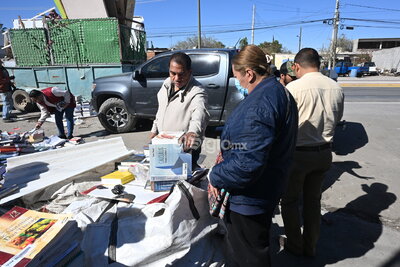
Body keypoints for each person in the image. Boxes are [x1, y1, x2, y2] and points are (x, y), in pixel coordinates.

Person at [208, 45, 298, 267]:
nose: (236, 81)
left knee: (247, 257)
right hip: (268, 188)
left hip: (250, 199)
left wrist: (214, 174)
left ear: (249, 73)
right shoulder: (279, 91)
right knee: (255, 248)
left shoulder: (258, 105)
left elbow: (246, 165)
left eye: (236, 75)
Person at [280, 48, 344, 257]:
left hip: (299, 154)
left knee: (289, 201)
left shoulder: (293, 88)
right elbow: (337, 119)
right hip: (324, 153)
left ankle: (294, 244)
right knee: (312, 201)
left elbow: (284, 124)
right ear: (318, 64)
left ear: (297, 66)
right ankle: (310, 245)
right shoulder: (336, 88)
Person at [150, 52, 209, 169]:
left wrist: (193, 132)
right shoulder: (166, 84)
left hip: (185, 148)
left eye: (181, 74)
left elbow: (200, 113)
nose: (176, 78)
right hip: (163, 144)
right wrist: (154, 129)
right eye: (173, 73)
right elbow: (161, 109)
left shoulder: (197, 91)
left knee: (183, 183)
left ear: (190, 72)